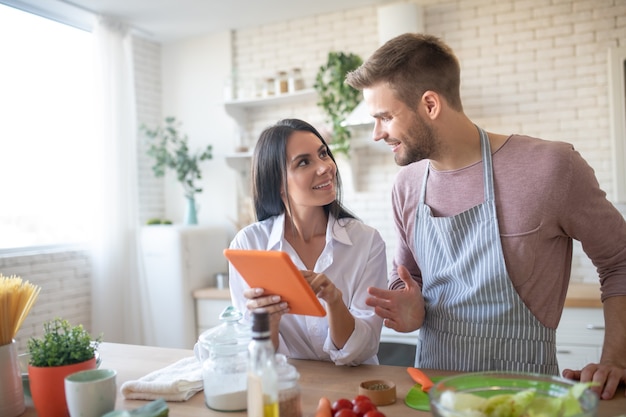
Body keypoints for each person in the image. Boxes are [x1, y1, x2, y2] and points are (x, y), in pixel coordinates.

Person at [346, 33, 626, 398]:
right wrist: (408, 305)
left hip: (527, 399)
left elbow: (619, 260)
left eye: (385, 117)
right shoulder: (407, 184)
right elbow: (408, 275)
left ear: (430, 104)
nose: (376, 133)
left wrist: (616, 359)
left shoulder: (551, 168)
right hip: (435, 397)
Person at [227, 118, 387, 366]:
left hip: (354, 391)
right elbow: (255, 356)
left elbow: (364, 348)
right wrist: (267, 321)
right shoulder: (249, 244)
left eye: (323, 154)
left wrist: (334, 300)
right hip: (288, 385)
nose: (325, 167)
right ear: (278, 183)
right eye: (304, 162)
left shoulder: (366, 242)